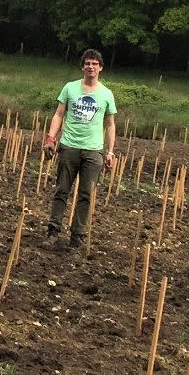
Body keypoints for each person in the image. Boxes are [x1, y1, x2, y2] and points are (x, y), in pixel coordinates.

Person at [41, 49, 117, 247]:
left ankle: (78, 236)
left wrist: (109, 152)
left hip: (94, 151)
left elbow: (110, 124)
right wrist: (50, 138)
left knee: (86, 194)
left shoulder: (106, 94)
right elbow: (59, 114)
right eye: (87, 63)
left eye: (94, 63)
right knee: (62, 190)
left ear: (100, 67)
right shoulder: (70, 88)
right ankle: (53, 231)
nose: (90, 67)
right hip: (69, 147)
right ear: (82, 66)